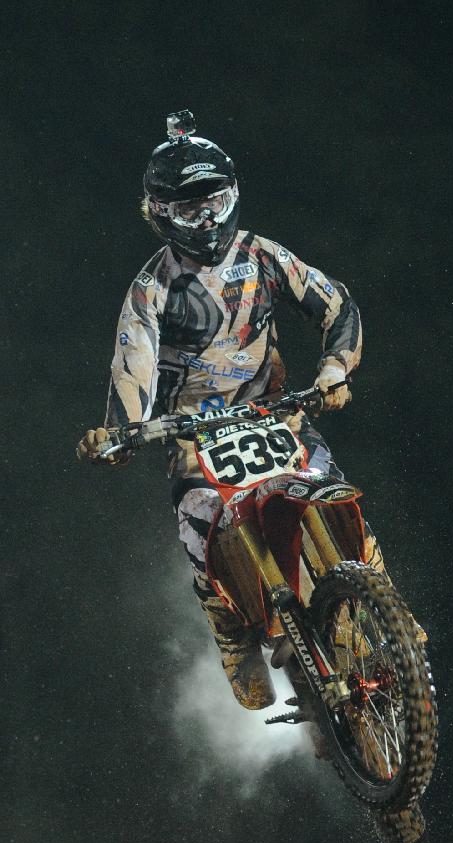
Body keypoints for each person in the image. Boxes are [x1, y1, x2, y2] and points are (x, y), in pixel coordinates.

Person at [78, 110, 377, 711]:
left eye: (215, 202)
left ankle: (384, 605)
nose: (208, 220)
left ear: (234, 194)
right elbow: (133, 363)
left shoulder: (262, 256)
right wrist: (120, 431)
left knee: (336, 493)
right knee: (199, 522)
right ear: (160, 214)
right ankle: (233, 630)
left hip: (275, 413)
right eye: (190, 211)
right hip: (195, 435)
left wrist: (333, 370)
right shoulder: (151, 288)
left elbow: (334, 304)